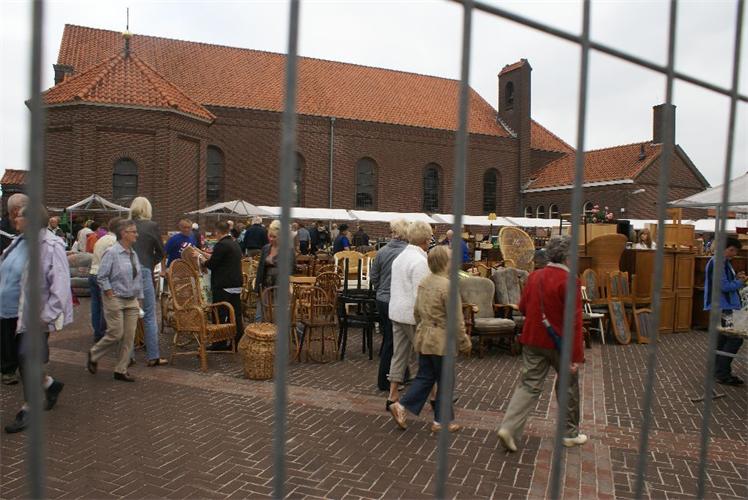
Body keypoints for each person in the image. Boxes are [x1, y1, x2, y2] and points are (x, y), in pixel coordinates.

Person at [497, 235, 586, 452]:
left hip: (533, 339)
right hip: (560, 344)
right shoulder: (570, 281)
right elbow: (574, 321)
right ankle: (569, 434)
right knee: (568, 386)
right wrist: (575, 356)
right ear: (567, 257)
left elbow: (523, 307)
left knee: (528, 385)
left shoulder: (534, 276)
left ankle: (509, 427)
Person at [389, 246, 472, 432]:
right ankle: (440, 421)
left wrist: (423, 328)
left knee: (425, 376)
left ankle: (401, 406)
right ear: (445, 263)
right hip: (442, 340)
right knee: (445, 380)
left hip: (424, 337)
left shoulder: (425, 282)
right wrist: (464, 341)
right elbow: (456, 319)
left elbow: (417, 312)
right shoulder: (448, 286)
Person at [4, 205, 72, 433]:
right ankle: (50, 385)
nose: (15, 218)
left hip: (33, 317)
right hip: (9, 312)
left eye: (20, 215)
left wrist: (45, 317)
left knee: (26, 358)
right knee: (18, 359)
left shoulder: (51, 246)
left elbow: (60, 287)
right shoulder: (18, 242)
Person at [87, 219, 143, 382]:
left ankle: (121, 369)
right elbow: (102, 276)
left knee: (129, 336)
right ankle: (94, 353)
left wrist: (138, 298)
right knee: (116, 333)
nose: (136, 234)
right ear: (124, 233)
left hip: (131, 299)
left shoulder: (133, 253)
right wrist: (109, 292)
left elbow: (137, 278)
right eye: (133, 231)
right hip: (115, 298)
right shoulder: (112, 252)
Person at [386, 221, 433, 410]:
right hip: (412, 316)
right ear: (426, 239)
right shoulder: (420, 261)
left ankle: (392, 395)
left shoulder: (400, 258)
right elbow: (420, 295)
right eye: (430, 238)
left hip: (396, 312)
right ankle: (436, 398)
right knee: (428, 357)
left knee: (399, 355)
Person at [370, 219, 409, 392]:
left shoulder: (382, 251)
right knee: (393, 341)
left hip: (382, 300)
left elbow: (374, 276)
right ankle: (385, 381)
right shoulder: (407, 253)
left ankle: (403, 374)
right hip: (397, 300)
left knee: (392, 338)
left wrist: (381, 290)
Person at [130, 197, 167, 366]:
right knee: (150, 315)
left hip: (126, 272)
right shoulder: (152, 226)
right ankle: (153, 356)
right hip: (144, 269)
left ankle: (128, 356)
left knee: (128, 314)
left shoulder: (125, 225)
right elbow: (161, 251)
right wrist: (151, 263)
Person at [704, 237, 746, 385]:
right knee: (734, 339)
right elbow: (724, 286)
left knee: (722, 339)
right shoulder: (718, 263)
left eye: (735, 251)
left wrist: (736, 278)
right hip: (723, 306)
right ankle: (722, 373)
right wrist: (740, 282)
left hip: (723, 305)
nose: (734, 253)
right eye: (731, 250)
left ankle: (718, 371)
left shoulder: (723, 262)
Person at [0, 195, 30, 386]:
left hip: (25, 294)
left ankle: (22, 365)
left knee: (24, 331)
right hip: (7, 293)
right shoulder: (3, 232)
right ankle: (8, 368)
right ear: (15, 211)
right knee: (6, 332)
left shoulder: (27, 231)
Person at [206, 221, 244, 347]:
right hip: (236, 283)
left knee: (219, 313)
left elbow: (212, 264)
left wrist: (202, 261)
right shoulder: (234, 243)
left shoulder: (221, 245)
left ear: (217, 232)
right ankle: (237, 342)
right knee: (235, 314)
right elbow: (222, 259)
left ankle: (219, 343)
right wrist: (205, 255)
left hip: (224, 284)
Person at [254, 220, 295, 322]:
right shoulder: (265, 248)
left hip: (280, 286)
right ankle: (258, 331)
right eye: (270, 236)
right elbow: (260, 269)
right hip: (265, 285)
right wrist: (257, 289)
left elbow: (292, 268)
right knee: (259, 315)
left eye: (274, 237)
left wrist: (274, 262)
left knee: (278, 315)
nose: (271, 239)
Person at [89, 217, 119, 343]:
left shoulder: (100, 240)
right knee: (105, 307)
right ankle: (103, 334)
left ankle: (97, 333)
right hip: (103, 276)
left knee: (95, 306)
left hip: (93, 273)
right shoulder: (114, 241)